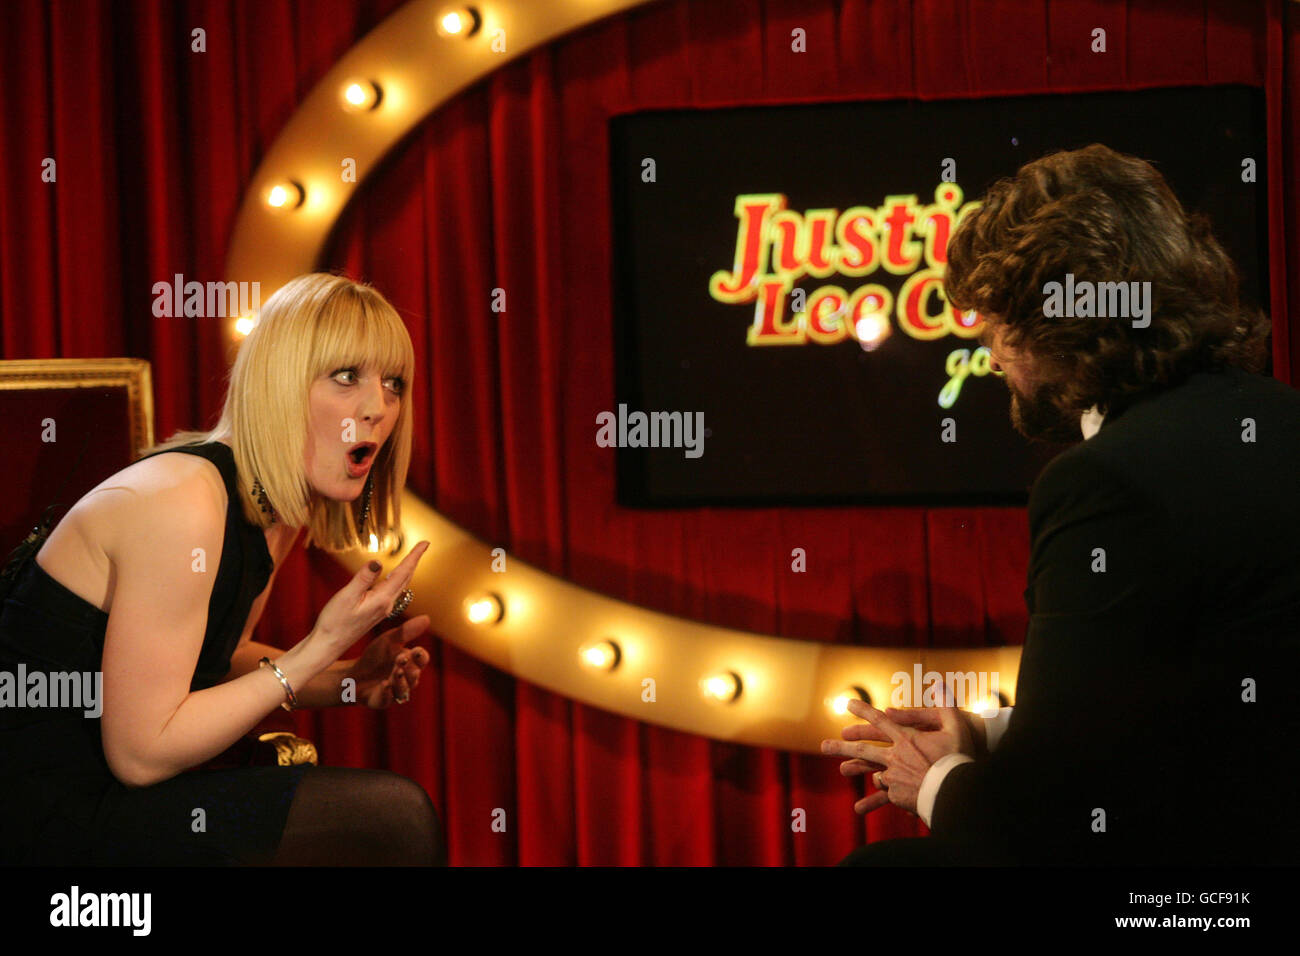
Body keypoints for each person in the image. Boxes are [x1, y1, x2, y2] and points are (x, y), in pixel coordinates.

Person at [823, 143, 1300, 865]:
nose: (990, 355)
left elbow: (1048, 831)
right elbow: (1178, 709)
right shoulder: (1281, 417)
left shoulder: (1108, 482)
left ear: (1055, 325)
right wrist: (985, 735)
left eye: (993, 322)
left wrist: (934, 780)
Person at [0, 272, 447, 865]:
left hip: (118, 792)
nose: (378, 409)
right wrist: (319, 646)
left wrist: (346, 679)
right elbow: (140, 757)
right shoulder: (182, 502)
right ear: (278, 381)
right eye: (346, 377)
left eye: (394, 384)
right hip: (44, 811)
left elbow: (216, 657)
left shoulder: (272, 507)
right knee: (394, 820)